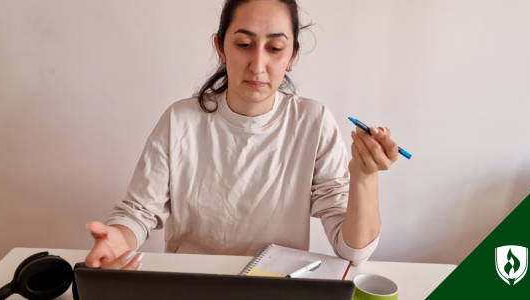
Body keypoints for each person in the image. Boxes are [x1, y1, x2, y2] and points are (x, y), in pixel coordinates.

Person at [84, 0, 399, 271]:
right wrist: (119, 238)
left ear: (292, 56)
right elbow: (138, 211)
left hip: (276, 285)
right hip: (193, 281)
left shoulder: (313, 122)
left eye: (275, 48)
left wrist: (363, 176)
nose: (258, 65)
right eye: (244, 45)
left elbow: (354, 252)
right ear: (220, 47)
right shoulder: (180, 120)